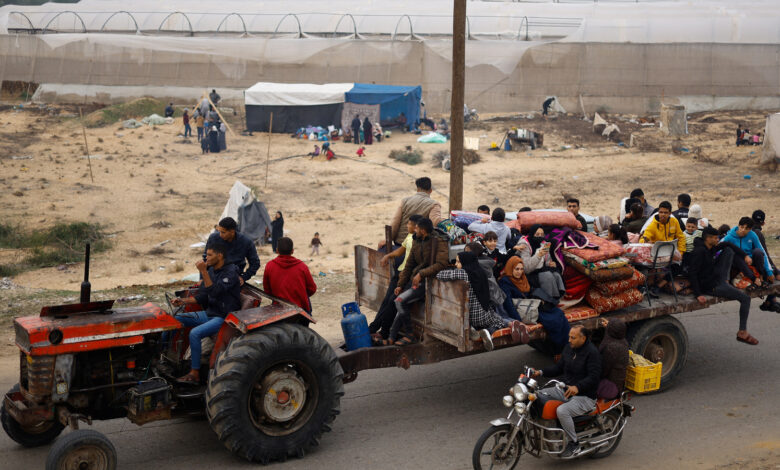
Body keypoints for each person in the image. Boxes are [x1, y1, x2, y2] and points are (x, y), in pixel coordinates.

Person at [171, 243, 241, 383]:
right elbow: (204, 295)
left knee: (195, 333)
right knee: (175, 319)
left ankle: (194, 373)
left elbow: (215, 291)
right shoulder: (212, 270)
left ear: (219, 255)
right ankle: (172, 359)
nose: (206, 258)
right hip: (210, 313)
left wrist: (203, 271)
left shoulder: (231, 273)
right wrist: (184, 301)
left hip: (223, 316)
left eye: (209, 255)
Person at [531, 325, 601, 458]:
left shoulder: (592, 353)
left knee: (562, 411)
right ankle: (547, 430)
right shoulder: (569, 348)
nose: (569, 340)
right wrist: (539, 372)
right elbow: (559, 368)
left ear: (583, 338)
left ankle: (574, 444)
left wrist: (578, 387)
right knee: (537, 396)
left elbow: (594, 377)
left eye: (573, 338)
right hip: (565, 389)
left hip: (584, 396)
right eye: (569, 336)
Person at [437, 252, 525, 351]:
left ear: (465, 262)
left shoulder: (463, 273)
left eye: (458, 262)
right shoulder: (480, 271)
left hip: (470, 316)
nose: (456, 264)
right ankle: (505, 326)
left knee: (497, 320)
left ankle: (483, 330)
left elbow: (440, 275)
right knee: (498, 320)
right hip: (483, 312)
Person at [688, 227, 757, 345]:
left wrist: (745, 256)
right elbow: (692, 273)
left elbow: (727, 244)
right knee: (745, 299)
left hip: (716, 277)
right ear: (708, 239)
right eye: (715, 238)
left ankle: (726, 280)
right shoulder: (699, 252)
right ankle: (742, 332)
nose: (717, 239)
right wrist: (698, 294)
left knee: (729, 250)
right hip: (710, 286)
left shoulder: (710, 247)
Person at [392, 218, 449, 344]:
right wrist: (400, 284)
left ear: (423, 231)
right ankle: (391, 336)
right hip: (416, 280)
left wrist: (421, 274)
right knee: (398, 301)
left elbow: (442, 263)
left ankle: (409, 334)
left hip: (430, 282)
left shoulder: (439, 241)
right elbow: (409, 265)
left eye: (416, 228)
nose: (414, 230)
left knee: (400, 302)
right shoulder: (416, 240)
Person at [370, 215, 423, 342]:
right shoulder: (409, 236)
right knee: (387, 301)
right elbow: (400, 250)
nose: (407, 226)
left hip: (407, 276)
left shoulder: (419, 240)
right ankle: (375, 328)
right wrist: (388, 255)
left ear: (416, 226)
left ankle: (384, 332)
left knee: (393, 303)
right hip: (399, 273)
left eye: (409, 224)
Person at [383, 177, 442, 247]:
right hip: (418, 244)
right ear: (431, 190)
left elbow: (395, 222)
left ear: (417, 189)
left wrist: (388, 240)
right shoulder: (434, 204)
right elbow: (435, 221)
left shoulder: (405, 201)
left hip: (400, 242)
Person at [262, 237, 317, 313]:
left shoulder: (270, 266)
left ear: (277, 251)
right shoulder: (302, 266)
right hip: (300, 308)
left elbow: (267, 290)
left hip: (278, 308)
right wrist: (301, 295)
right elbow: (312, 288)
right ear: (292, 251)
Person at [203, 217, 261, 285]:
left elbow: (255, 263)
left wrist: (244, 277)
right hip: (214, 277)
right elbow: (205, 259)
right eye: (219, 231)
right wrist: (204, 276)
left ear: (232, 231)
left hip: (233, 278)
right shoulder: (214, 238)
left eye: (223, 232)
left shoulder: (246, 242)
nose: (220, 235)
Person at [516, 225, 566, 300]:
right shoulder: (524, 244)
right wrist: (538, 255)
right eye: (537, 234)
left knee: (556, 274)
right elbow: (526, 268)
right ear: (532, 234)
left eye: (542, 234)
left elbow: (547, 260)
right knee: (547, 276)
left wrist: (550, 263)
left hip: (540, 269)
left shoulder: (544, 243)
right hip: (528, 273)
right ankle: (547, 300)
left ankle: (555, 299)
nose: (540, 237)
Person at [721, 217, 774, 283]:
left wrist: (769, 272)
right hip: (736, 263)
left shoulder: (752, 235)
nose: (743, 230)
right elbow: (719, 247)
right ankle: (752, 279)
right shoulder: (729, 237)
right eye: (742, 227)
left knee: (758, 252)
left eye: (746, 229)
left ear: (750, 229)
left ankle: (761, 275)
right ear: (738, 226)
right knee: (733, 254)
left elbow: (762, 251)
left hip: (750, 261)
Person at [752, 210, 780, 312]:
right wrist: (775, 271)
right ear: (763, 223)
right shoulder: (758, 234)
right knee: (776, 276)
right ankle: (771, 301)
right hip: (758, 269)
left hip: (748, 267)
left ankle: (771, 300)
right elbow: (765, 256)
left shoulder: (747, 230)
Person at [597, 318, 628, 400]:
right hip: (618, 382)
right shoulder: (622, 340)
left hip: (611, 386)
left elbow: (603, 370)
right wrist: (609, 326)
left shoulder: (611, 348)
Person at [498, 256, 531, 322]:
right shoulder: (505, 282)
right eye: (517, 269)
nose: (519, 272)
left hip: (527, 311)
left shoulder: (523, 279)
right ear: (511, 268)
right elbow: (508, 304)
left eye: (521, 269)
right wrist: (519, 320)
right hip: (516, 315)